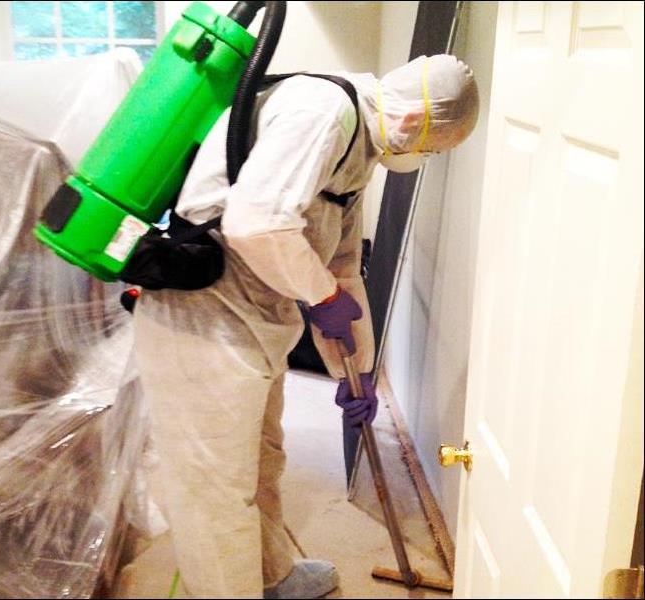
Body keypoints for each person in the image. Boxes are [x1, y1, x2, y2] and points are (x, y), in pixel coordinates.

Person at [132, 54, 479, 599]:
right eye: (431, 148)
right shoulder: (323, 111)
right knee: (215, 488)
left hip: (255, 323)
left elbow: (340, 266)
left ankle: (272, 576)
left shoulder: (360, 149)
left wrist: (354, 374)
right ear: (414, 123)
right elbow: (256, 224)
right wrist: (322, 297)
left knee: (262, 459)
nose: (423, 156)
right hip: (201, 322)